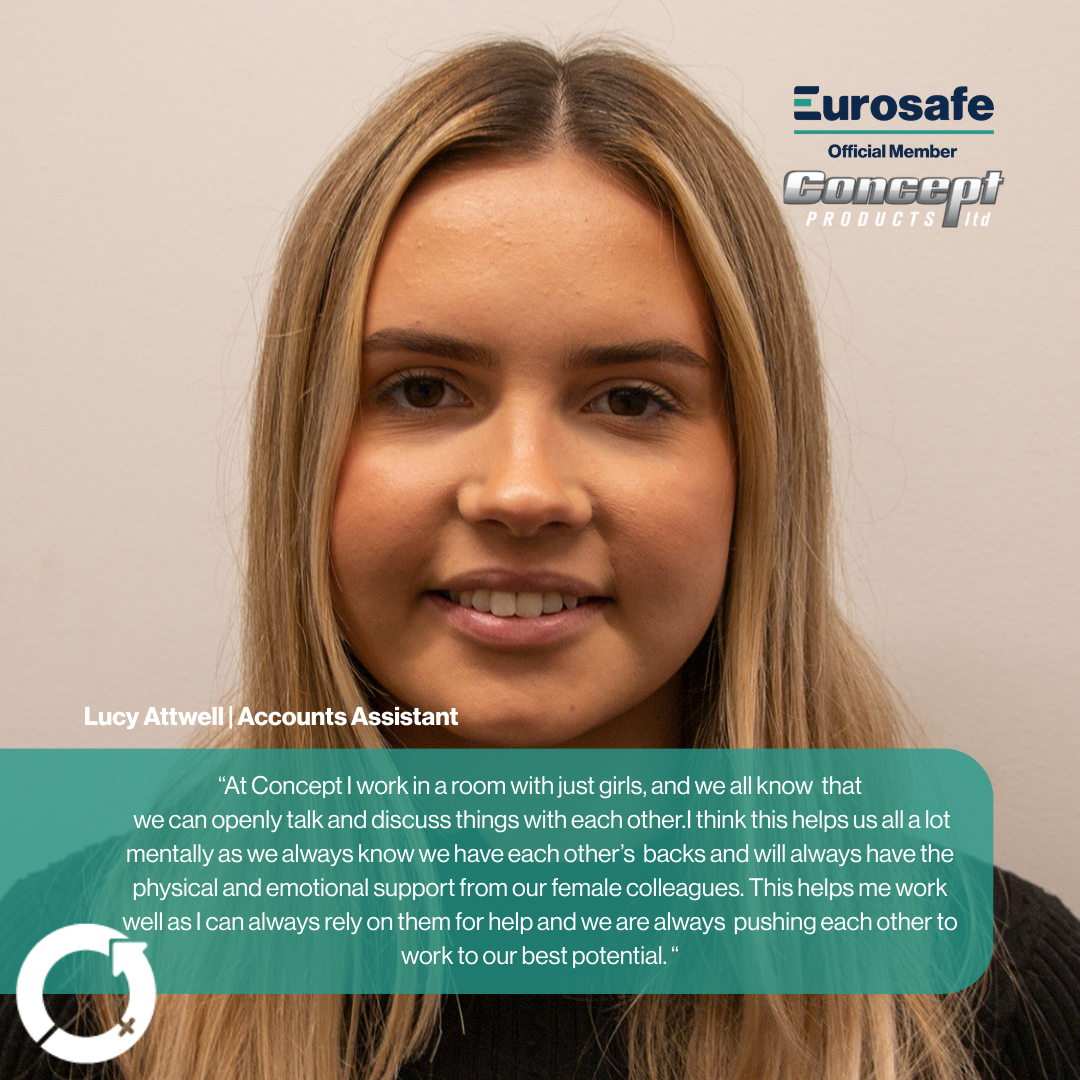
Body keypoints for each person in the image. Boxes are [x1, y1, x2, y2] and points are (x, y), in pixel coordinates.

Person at [2, 38, 1078, 1080]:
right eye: (423, 389)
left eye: (631, 400)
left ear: (757, 468)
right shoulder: (72, 985)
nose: (523, 492)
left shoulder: (994, 997)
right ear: (304, 453)